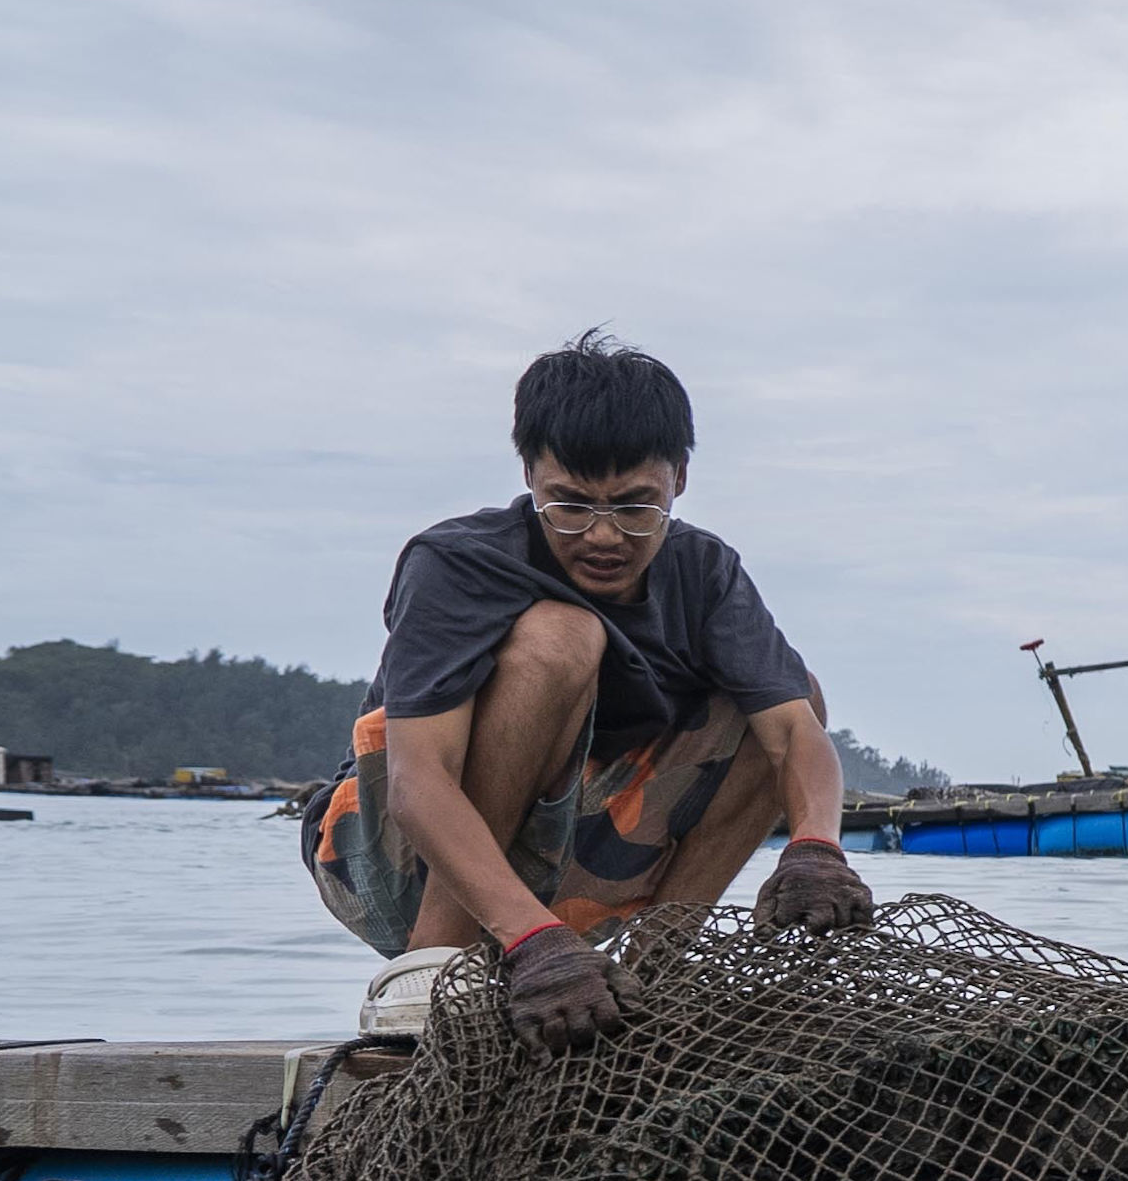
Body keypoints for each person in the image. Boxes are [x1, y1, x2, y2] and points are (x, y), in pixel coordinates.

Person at [303, 330, 873, 1050]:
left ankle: (651, 973)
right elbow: (420, 784)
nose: (603, 536)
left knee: (793, 698)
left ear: (679, 480)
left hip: (571, 858)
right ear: (530, 477)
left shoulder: (704, 572)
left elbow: (796, 734)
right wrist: (536, 942)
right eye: (568, 506)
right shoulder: (454, 563)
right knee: (561, 640)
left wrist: (817, 847)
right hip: (389, 859)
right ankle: (437, 965)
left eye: (636, 507)